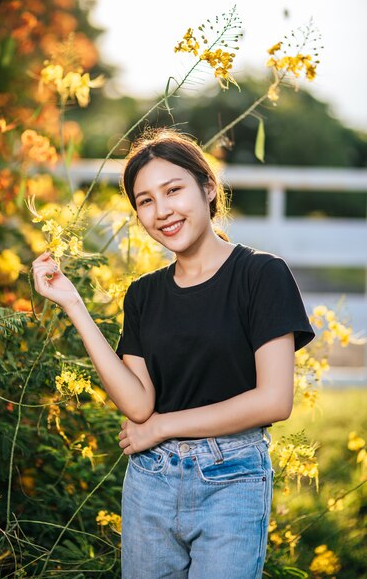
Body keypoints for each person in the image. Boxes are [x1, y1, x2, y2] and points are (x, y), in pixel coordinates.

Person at [32, 127, 316, 579]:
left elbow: (274, 400)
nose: (162, 210)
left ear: (207, 189)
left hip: (232, 480)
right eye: (145, 200)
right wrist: (73, 303)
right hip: (151, 479)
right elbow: (138, 404)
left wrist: (164, 426)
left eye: (173, 190)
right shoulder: (143, 295)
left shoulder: (262, 275)